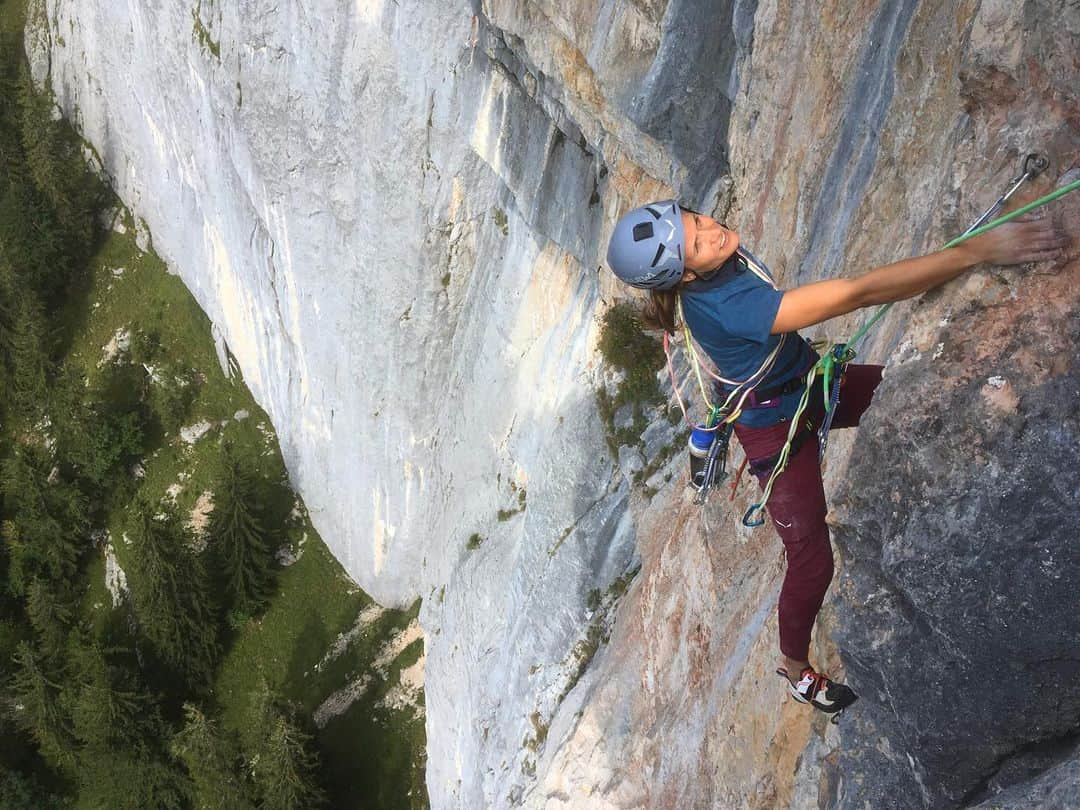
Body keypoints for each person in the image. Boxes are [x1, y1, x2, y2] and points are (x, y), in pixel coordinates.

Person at [605, 199, 1069, 717]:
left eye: (698, 219)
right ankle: (793, 664)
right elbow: (856, 293)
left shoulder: (716, 262)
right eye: (697, 239)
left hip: (810, 383)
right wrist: (976, 252)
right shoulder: (729, 306)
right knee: (812, 560)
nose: (713, 229)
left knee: (906, 393)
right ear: (686, 273)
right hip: (774, 429)